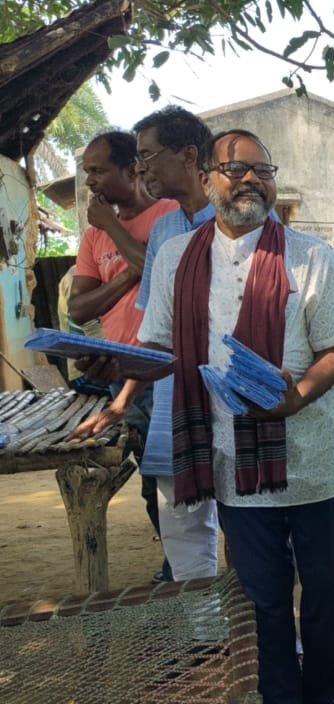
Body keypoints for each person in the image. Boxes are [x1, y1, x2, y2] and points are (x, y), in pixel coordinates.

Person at [136, 129, 334, 704]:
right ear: (207, 178)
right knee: (264, 600)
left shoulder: (311, 255)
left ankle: (321, 691)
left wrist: (297, 396)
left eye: (263, 169)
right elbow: (158, 346)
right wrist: (118, 369)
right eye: (236, 169)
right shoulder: (177, 257)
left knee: (325, 595)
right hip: (236, 465)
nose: (251, 179)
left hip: (315, 463)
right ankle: (280, 696)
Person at [73, 106, 222, 583]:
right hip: (167, 392)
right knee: (179, 518)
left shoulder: (234, 220)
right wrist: (122, 394)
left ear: (189, 156)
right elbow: (156, 331)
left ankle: (256, 622)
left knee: (243, 517)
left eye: (148, 157)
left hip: (225, 396)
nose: (143, 169)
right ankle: (200, 620)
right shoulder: (166, 230)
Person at [69, 130, 179, 582]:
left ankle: (191, 569)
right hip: (119, 373)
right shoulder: (93, 238)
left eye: (98, 170)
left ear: (132, 169)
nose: (90, 180)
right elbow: (78, 309)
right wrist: (129, 275)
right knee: (151, 480)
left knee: (181, 478)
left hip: (165, 372)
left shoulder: (168, 215)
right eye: (87, 171)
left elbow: (161, 275)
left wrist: (114, 229)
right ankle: (176, 566)